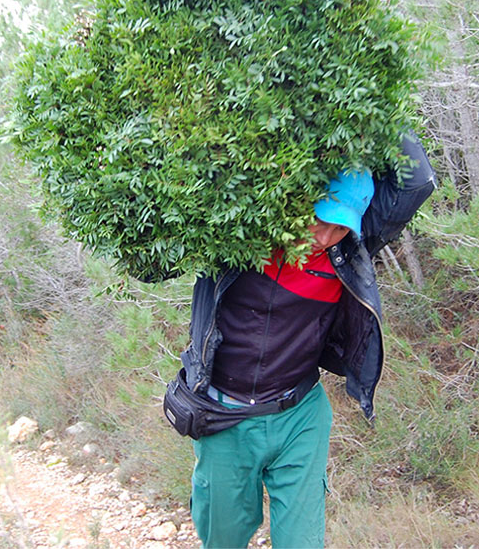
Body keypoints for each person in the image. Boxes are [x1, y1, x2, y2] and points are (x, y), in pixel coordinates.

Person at [176, 133, 434, 548]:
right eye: (320, 218)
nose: (324, 236)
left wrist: (378, 115)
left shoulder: (348, 252)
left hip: (299, 417)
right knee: (221, 539)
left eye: (339, 227)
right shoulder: (235, 236)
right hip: (223, 417)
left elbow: (416, 183)